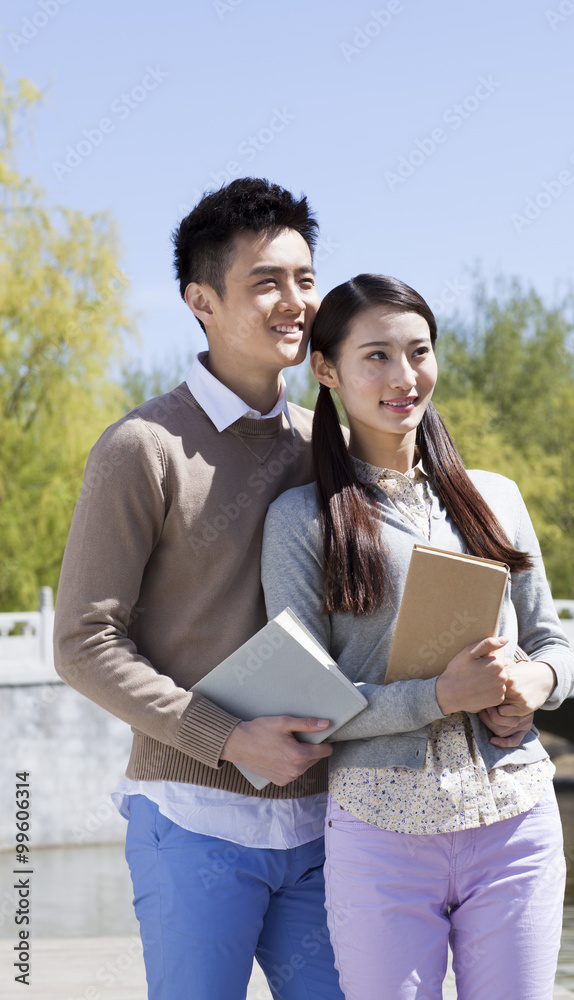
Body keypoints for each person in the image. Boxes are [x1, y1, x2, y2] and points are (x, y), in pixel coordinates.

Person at [53, 178, 345, 1000]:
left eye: (304, 278)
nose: (295, 302)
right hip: (191, 817)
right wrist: (227, 737)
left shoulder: (327, 448)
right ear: (201, 301)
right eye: (266, 282)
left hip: (327, 821)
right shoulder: (142, 447)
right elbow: (82, 642)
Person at [261, 274, 574, 1000]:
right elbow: (311, 706)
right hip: (380, 832)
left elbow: (552, 641)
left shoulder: (493, 497)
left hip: (516, 823)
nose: (404, 377)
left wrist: (536, 683)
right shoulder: (300, 521)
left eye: (419, 351)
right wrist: (440, 695)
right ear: (325, 370)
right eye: (376, 356)